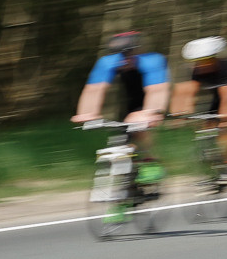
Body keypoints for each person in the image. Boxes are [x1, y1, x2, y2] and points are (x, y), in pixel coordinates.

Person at [73, 30, 170, 199]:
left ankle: (150, 162)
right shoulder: (108, 62)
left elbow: (157, 91)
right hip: (131, 101)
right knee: (122, 134)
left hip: (152, 94)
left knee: (141, 129)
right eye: (120, 54)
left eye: (129, 54)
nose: (124, 59)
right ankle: (128, 181)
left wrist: (151, 113)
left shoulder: (152, 61)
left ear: (137, 51)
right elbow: (94, 90)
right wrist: (87, 113)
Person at [178, 36, 227, 170]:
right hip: (218, 95)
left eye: (206, 60)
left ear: (214, 58)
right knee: (207, 125)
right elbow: (189, 91)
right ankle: (211, 158)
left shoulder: (226, 67)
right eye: (198, 62)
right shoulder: (196, 70)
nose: (202, 65)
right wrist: (182, 111)